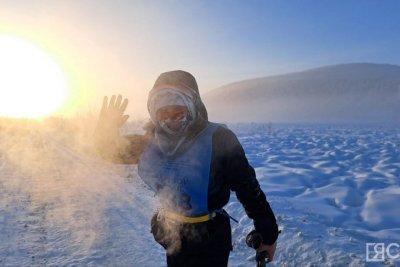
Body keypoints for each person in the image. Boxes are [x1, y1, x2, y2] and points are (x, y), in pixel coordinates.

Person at [94, 70, 278, 267]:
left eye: (178, 110)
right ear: (154, 113)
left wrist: (267, 233)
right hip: (171, 232)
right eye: (163, 112)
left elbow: (248, 187)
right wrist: (105, 130)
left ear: (193, 106)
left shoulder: (219, 139)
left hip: (212, 236)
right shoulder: (150, 142)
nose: (171, 118)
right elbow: (110, 152)